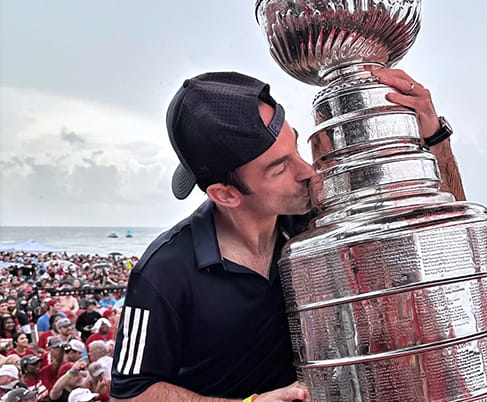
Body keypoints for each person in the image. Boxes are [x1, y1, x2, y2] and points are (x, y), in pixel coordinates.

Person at [110, 69, 465, 401]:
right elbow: (130, 391)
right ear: (226, 194)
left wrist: (434, 136)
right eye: (280, 168)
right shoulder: (164, 270)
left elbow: (446, 231)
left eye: (294, 147)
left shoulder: (316, 219)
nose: (307, 171)